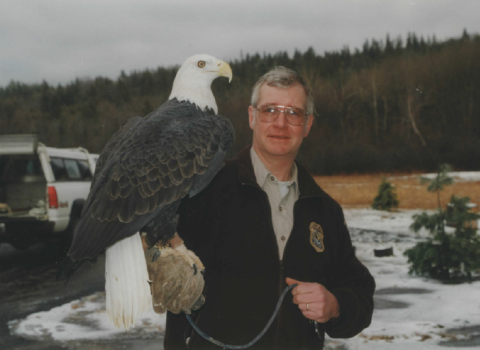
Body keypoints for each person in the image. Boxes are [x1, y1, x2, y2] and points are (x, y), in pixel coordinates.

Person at [163, 66, 375, 349]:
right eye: (270, 110)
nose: (280, 123)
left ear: (308, 124)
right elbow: (151, 263)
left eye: (293, 113)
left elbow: (358, 289)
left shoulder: (325, 210)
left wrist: (335, 306)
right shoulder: (204, 190)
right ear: (252, 117)